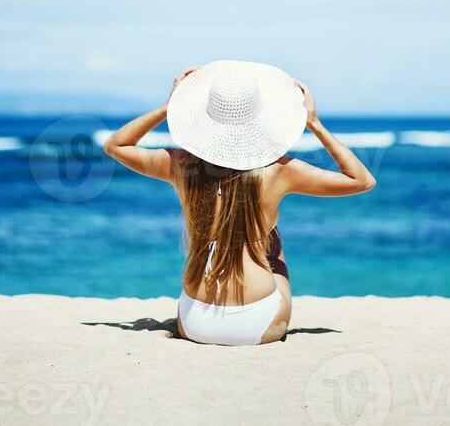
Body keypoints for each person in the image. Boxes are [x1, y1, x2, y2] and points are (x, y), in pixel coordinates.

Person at [104, 60, 376, 346]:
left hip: (195, 323)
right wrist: (314, 124)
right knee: (270, 237)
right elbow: (361, 180)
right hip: (256, 323)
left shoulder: (182, 166)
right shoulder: (280, 170)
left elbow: (115, 145)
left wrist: (168, 107)